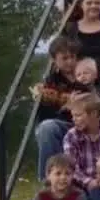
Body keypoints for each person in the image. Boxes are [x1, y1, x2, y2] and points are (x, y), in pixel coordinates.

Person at [33, 37, 91, 180]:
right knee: (46, 128)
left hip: (87, 123)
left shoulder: (87, 75)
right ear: (54, 60)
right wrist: (64, 106)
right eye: (64, 58)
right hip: (62, 124)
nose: (70, 62)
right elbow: (44, 116)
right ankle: (47, 181)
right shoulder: (50, 82)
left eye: (72, 57)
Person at [62, 94, 100, 191]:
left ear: (94, 114)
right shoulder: (71, 136)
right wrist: (89, 182)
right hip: (81, 186)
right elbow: (72, 167)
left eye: (78, 115)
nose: (73, 119)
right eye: (73, 116)